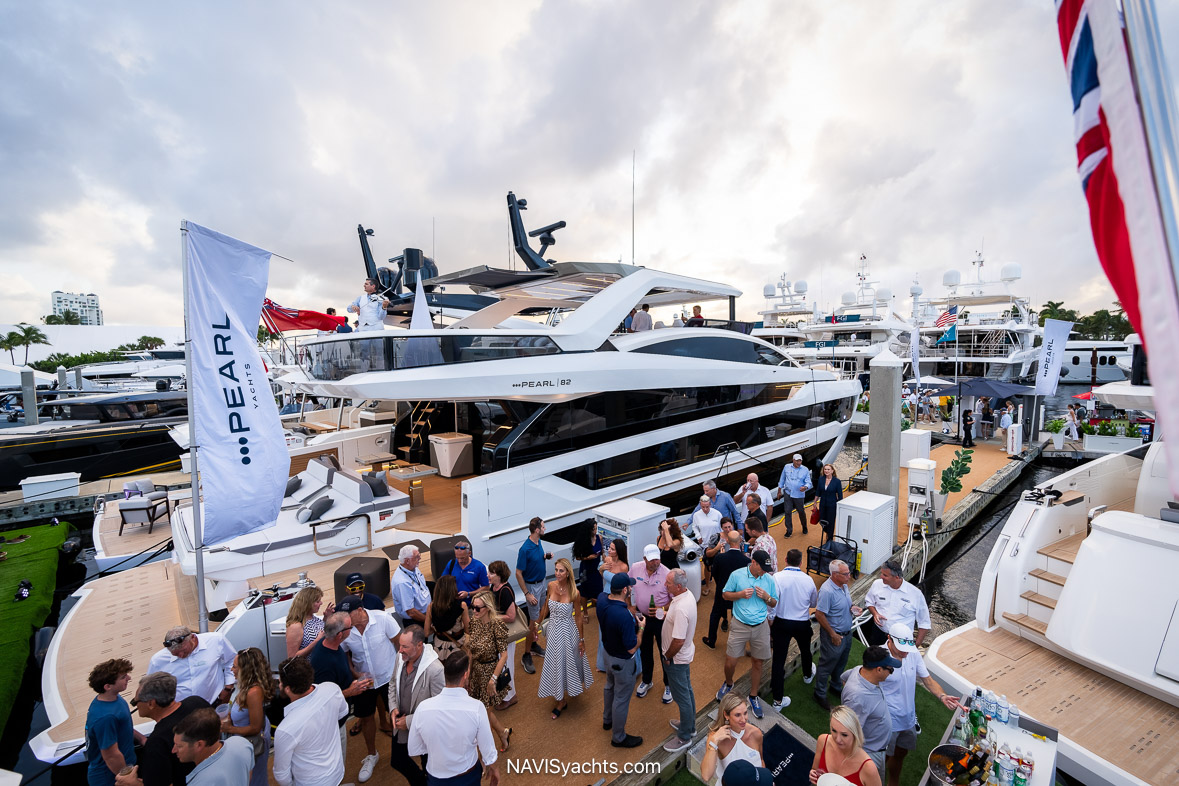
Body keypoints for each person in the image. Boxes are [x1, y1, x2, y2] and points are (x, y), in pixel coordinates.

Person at [881, 623, 960, 786]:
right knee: (881, 758)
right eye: (900, 648)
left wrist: (942, 696)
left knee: (900, 754)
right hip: (886, 721)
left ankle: (893, 783)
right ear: (889, 639)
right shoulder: (878, 657)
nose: (904, 652)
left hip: (908, 720)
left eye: (906, 647)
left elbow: (928, 680)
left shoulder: (912, 653)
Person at [408, 651, 501, 786]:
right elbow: (488, 749)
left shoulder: (423, 708)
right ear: (465, 674)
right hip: (467, 777)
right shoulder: (476, 708)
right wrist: (494, 768)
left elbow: (414, 748)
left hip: (436, 779)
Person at [338, 596, 402, 782]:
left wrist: (401, 671)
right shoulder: (346, 630)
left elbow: (399, 644)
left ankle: (406, 749)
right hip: (364, 683)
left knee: (399, 714)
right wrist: (356, 675)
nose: (345, 619)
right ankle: (371, 755)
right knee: (366, 718)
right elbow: (345, 656)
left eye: (347, 614)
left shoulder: (383, 619)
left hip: (389, 678)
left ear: (359, 610)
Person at [117, 672, 209, 786]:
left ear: (151, 703)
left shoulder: (157, 742)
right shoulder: (198, 702)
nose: (136, 705)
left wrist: (133, 783)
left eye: (135, 702)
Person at [309, 611, 373, 774]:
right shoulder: (323, 662)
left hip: (339, 718)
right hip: (332, 724)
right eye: (350, 626)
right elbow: (322, 699)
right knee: (335, 764)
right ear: (340, 635)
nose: (353, 628)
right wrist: (350, 691)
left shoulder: (330, 644)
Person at [717, 549, 778, 719]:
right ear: (754, 563)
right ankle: (729, 683)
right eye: (763, 567)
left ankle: (753, 696)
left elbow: (774, 602)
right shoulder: (737, 575)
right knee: (731, 661)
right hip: (739, 625)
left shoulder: (769, 580)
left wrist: (766, 597)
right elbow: (725, 595)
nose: (765, 571)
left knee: (758, 662)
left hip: (761, 626)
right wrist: (740, 595)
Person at [273, 656, 349, 786]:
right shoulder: (332, 689)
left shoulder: (286, 729)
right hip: (337, 772)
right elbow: (343, 712)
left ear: (287, 689)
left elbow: (281, 775)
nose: (279, 684)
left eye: (280, 682)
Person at [387, 625, 446, 786]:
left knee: (429, 764)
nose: (400, 650)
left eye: (405, 646)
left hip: (424, 730)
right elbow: (392, 682)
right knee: (398, 760)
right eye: (400, 645)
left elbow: (439, 709)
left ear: (419, 645)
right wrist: (393, 707)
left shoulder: (435, 670)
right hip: (400, 725)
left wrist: (408, 722)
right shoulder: (401, 657)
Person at [538, 558, 593, 717]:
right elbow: (546, 606)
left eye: (561, 570)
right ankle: (560, 697)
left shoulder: (575, 592)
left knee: (568, 662)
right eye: (556, 570)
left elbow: (578, 618)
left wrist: (581, 640)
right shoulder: (551, 586)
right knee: (555, 663)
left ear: (568, 573)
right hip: (553, 631)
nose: (557, 573)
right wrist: (538, 624)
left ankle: (563, 697)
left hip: (568, 632)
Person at [839, 646, 901, 780]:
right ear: (879, 669)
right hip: (869, 753)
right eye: (890, 669)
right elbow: (849, 734)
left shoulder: (859, 670)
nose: (891, 672)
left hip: (876, 749)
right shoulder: (858, 698)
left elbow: (844, 678)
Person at [597, 573, 643, 748]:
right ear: (625, 590)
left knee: (609, 686)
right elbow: (632, 647)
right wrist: (641, 629)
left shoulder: (602, 599)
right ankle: (618, 737)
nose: (631, 589)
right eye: (629, 587)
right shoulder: (623, 615)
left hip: (607, 655)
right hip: (622, 661)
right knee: (621, 698)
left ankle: (607, 720)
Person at [771, 548, 818, 711]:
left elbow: (773, 603)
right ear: (801, 562)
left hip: (781, 623)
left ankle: (777, 700)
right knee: (805, 650)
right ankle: (807, 675)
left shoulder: (776, 577)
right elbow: (813, 603)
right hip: (802, 623)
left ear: (785, 560)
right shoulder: (808, 580)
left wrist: (771, 621)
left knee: (778, 660)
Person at [466, 589, 513, 751]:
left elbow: (504, 656)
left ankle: (487, 745)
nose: (474, 610)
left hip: (490, 672)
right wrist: (468, 675)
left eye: (478, 608)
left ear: (488, 608)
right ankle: (502, 733)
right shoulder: (474, 622)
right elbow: (471, 652)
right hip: (476, 672)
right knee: (483, 710)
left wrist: (493, 679)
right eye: (473, 607)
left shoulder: (497, 625)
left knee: (484, 712)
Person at [220, 648, 274, 786]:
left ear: (246, 669)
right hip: (244, 740)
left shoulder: (253, 692)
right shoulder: (246, 686)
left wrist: (229, 728)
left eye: (235, 666)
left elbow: (255, 728)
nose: (232, 669)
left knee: (254, 778)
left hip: (253, 742)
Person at [813, 560, 862, 711]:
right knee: (827, 664)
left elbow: (846, 604)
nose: (849, 575)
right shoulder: (827, 591)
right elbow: (819, 615)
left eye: (848, 572)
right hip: (834, 636)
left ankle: (835, 685)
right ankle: (819, 693)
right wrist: (833, 634)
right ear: (834, 575)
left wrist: (853, 608)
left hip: (846, 634)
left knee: (841, 661)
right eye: (845, 573)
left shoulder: (844, 586)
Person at [86, 658, 142, 786]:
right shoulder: (106, 717)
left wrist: (141, 738)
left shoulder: (115, 698)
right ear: (107, 686)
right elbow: (111, 756)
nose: (129, 678)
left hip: (125, 767)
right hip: (110, 778)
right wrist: (129, 779)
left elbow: (123, 727)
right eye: (123, 677)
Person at [661, 568, 698, 753]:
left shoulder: (682, 607)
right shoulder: (686, 595)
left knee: (682, 697)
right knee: (687, 691)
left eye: (667, 583)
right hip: (682, 657)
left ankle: (684, 736)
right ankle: (689, 725)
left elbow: (678, 640)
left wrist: (667, 657)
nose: (664, 585)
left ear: (677, 586)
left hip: (676, 659)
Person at [148, 627, 235, 705]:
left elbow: (231, 660)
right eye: (176, 654)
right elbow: (151, 688)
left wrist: (228, 688)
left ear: (193, 638)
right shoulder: (157, 661)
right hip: (181, 713)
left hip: (215, 703)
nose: (181, 655)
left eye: (184, 650)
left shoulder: (216, 640)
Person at [630, 544, 671, 703]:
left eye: (657, 559)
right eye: (652, 560)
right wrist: (630, 605)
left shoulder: (667, 573)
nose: (656, 563)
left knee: (665, 652)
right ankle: (647, 680)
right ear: (644, 559)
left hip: (661, 619)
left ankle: (668, 684)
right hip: (642, 617)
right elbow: (627, 584)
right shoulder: (635, 568)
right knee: (645, 650)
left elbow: (675, 600)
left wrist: (662, 608)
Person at [172, 708, 254, 785]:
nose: (173, 750)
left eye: (179, 746)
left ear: (199, 745)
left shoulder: (200, 783)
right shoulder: (241, 744)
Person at [864, 560, 931, 648]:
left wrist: (917, 644)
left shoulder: (916, 594)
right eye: (881, 573)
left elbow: (924, 622)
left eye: (885, 575)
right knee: (873, 659)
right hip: (878, 634)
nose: (881, 577)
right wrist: (875, 614)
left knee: (896, 662)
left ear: (896, 577)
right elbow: (869, 602)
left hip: (901, 640)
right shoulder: (877, 584)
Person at [808, 706, 882, 786]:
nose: (838, 739)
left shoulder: (868, 768)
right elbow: (815, 770)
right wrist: (814, 776)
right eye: (834, 731)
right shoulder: (823, 741)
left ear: (855, 734)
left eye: (844, 735)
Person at [700, 694, 764, 784]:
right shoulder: (715, 739)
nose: (743, 719)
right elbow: (706, 775)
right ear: (726, 715)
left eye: (745, 713)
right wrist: (714, 742)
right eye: (738, 715)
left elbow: (761, 761)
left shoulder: (755, 733)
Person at [515, 516, 552, 675]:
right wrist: (527, 594)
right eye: (543, 527)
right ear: (537, 530)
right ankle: (526, 654)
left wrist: (545, 557)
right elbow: (518, 573)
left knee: (539, 617)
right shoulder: (525, 549)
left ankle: (534, 646)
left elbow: (536, 560)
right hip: (532, 588)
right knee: (533, 622)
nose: (545, 529)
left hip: (541, 583)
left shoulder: (538, 543)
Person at [703, 530, 749, 648]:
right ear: (740, 541)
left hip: (722, 592)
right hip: (738, 594)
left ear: (727, 541)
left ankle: (711, 641)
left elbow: (713, 573)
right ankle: (737, 644)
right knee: (737, 619)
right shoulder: (746, 561)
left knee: (715, 615)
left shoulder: (720, 558)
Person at [487, 560, 521, 708]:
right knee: (500, 664)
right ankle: (503, 694)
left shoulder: (505, 591)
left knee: (507, 665)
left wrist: (492, 617)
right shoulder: (493, 587)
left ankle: (510, 696)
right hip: (497, 633)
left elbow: (511, 616)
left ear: (499, 575)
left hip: (505, 635)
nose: (488, 575)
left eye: (492, 573)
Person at [597, 538, 630, 672]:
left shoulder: (624, 567)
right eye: (609, 548)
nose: (609, 551)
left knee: (614, 632)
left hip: (617, 599)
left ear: (619, 551)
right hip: (606, 594)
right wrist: (601, 569)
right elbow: (602, 575)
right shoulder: (607, 561)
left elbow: (624, 586)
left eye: (612, 549)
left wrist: (627, 604)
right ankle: (602, 664)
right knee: (602, 630)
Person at [424, 575, 468, 661]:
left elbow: (426, 633)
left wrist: (437, 628)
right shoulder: (462, 606)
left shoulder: (431, 606)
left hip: (438, 648)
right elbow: (468, 630)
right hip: (457, 648)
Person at [391, 544, 431, 629]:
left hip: (425, 614)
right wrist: (429, 621)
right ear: (407, 561)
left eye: (419, 555)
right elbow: (411, 612)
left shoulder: (413, 568)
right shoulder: (402, 583)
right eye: (416, 557)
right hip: (416, 620)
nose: (420, 558)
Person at [689, 495, 722, 593]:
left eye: (707, 507)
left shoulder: (717, 514)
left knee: (718, 566)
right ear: (700, 505)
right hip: (705, 544)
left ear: (710, 504)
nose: (705, 509)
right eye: (703, 507)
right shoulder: (696, 515)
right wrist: (698, 536)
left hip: (717, 544)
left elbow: (722, 528)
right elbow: (694, 527)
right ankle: (707, 586)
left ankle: (719, 586)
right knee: (707, 565)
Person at [573, 520, 603, 625]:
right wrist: (587, 557)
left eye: (596, 528)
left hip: (597, 569)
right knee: (584, 592)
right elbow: (577, 557)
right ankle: (585, 613)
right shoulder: (583, 540)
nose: (595, 530)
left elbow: (602, 552)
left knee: (600, 591)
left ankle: (601, 612)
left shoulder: (599, 538)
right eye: (593, 529)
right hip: (585, 570)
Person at [285, 586, 327, 659]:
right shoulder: (296, 626)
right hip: (309, 668)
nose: (321, 603)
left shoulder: (313, 618)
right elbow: (292, 657)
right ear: (307, 604)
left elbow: (320, 632)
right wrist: (316, 641)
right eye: (317, 601)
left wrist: (326, 619)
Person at [778, 454, 812, 537]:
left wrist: (805, 487)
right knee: (787, 512)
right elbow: (782, 479)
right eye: (797, 460)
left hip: (799, 495)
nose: (799, 462)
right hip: (788, 493)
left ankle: (804, 526)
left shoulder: (805, 469)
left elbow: (809, 482)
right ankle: (789, 530)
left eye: (800, 460)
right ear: (793, 460)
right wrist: (779, 491)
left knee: (801, 512)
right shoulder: (786, 467)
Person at [815, 463, 844, 543]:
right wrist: (815, 502)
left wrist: (839, 505)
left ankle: (829, 539)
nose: (826, 471)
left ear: (832, 471)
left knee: (831, 521)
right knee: (821, 520)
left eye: (828, 469)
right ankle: (827, 532)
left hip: (832, 504)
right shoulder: (821, 479)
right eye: (825, 469)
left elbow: (840, 495)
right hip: (823, 503)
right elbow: (818, 491)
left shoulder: (837, 481)